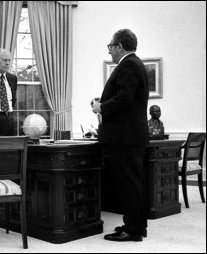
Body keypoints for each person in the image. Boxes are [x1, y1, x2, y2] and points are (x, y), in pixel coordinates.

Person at [91, 29, 149, 242]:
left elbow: (124, 99)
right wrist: (104, 104)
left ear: (120, 46)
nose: (109, 52)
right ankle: (136, 226)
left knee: (129, 184)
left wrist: (101, 107)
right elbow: (127, 98)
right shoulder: (134, 64)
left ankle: (133, 231)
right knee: (134, 183)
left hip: (125, 137)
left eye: (110, 47)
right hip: (130, 135)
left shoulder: (129, 65)